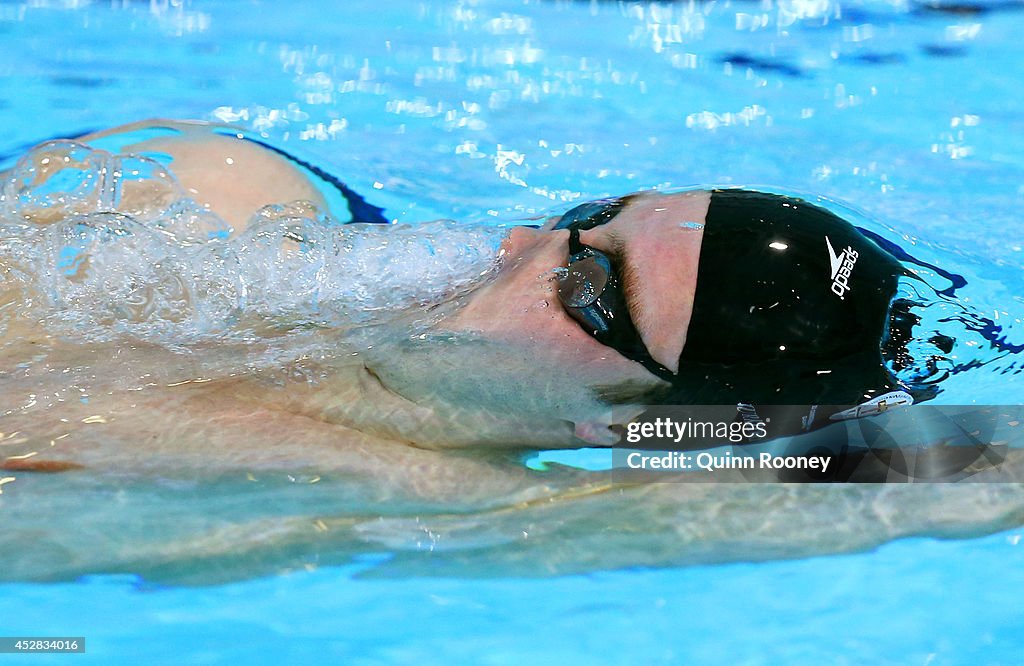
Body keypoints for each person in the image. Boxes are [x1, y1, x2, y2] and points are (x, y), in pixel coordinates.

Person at [0, 120, 1009, 475]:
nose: (523, 244)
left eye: (587, 287)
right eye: (585, 216)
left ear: (630, 425)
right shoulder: (201, 192)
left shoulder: (403, 493)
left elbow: (968, 473)